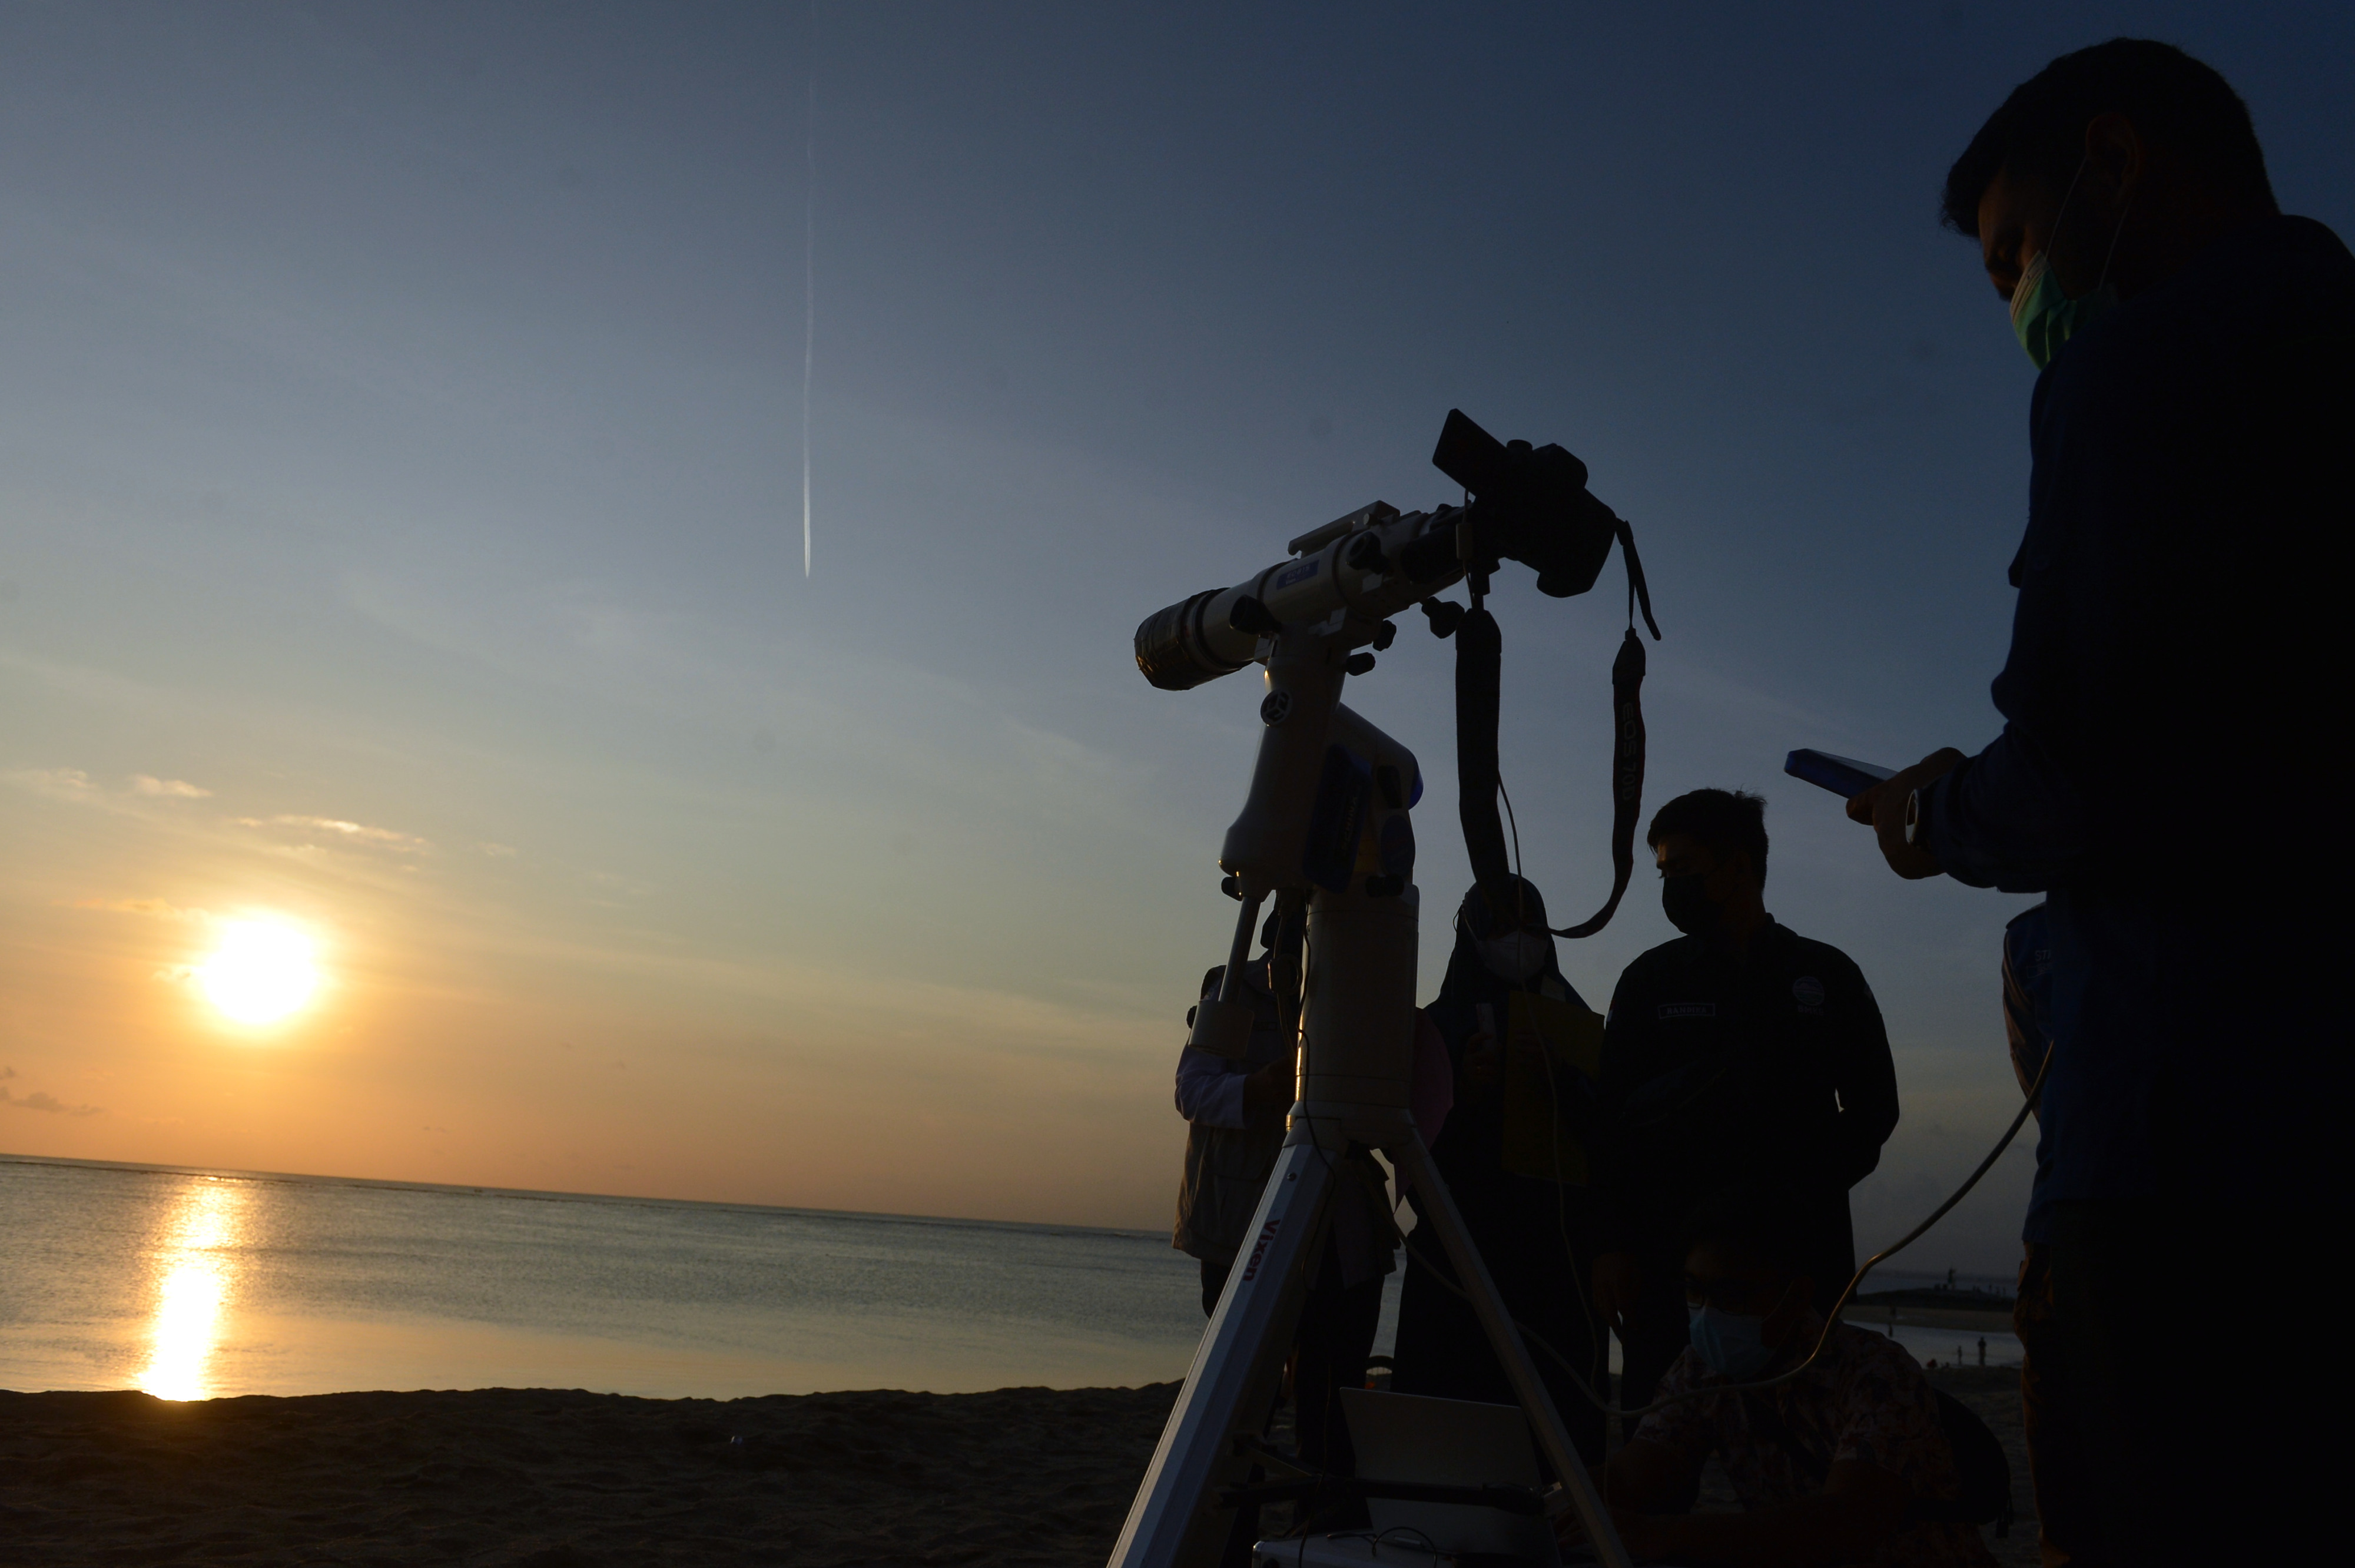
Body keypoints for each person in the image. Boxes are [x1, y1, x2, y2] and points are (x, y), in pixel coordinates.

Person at [1842, 38, 2351, 1564]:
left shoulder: (2134, 369)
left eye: (2014, 257)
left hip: (2188, 1164)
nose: (2019, 304)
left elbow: (2088, 766)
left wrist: (1937, 817)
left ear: (2113, 165)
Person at [1593, 789, 1899, 1421]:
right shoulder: (1649, 980)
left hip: (1797, 1268)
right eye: (1663, 872)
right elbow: (1608, 1124)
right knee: (1660, 1434)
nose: (1670, 886)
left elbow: (1875, 1111)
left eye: (1682, 868)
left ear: (1737, 866)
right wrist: (1611, 1244)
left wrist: (1798, 1194)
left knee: (1804, 1433)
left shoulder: (1826, 974)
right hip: (1670, 1266)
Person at [1595, 1188, 1998, 1568]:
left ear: (1798, 1295)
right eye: (1694, 1291)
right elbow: (1638, 1473)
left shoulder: (1876, 1373)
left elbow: (1845, 1523)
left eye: (1732, 1295)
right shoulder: (1700, 1370)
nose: (1708, 1312)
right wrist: (1570, 1496)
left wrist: (1667, 1534)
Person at [1170, 907, 1397, 1531]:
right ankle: (1229, 1540)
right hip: (1245, 1231)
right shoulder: (1227, 991)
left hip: (1342, 1232)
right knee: (1243, 1408)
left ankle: (1319, 1534)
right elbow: (1192, 1088)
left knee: (1331, 1409)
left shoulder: (1365, 1000)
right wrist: (1257, 1090)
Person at [1391, 875, 1610, 1471]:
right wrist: (1462, 1090)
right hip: (1460, 1257)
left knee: (1555, 1434)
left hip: (1555, 1265)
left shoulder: (1574, 1020)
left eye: (1531, 924)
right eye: (1502, 924)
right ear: (1472, 933)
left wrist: (1564, 1081)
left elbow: (1609, 1141)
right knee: (1449, 1431)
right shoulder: (1435, 1027)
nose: (1519, 938)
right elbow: (1411, 1150)